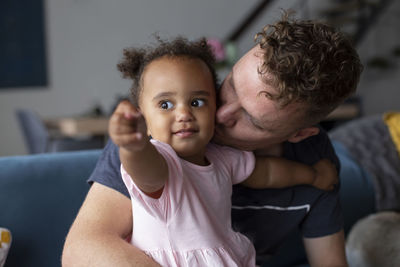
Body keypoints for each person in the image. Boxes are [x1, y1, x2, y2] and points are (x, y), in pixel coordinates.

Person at [62, 12, 363, 267]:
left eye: (250, 119)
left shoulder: (312, 155)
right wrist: (134, 144)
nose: (221, 114)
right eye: (231, 84)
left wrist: (312, 175)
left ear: (300, 133)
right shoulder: (152, 141)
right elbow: (82, 250)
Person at [108, 37, 337, 267]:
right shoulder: (161, 161)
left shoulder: (221, 156)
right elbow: (146, 172)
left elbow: (267, 173)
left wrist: (313, 175)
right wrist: (133, 145)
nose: (184, 114)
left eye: (197, 102)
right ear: (144, 119)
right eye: (165, 105)